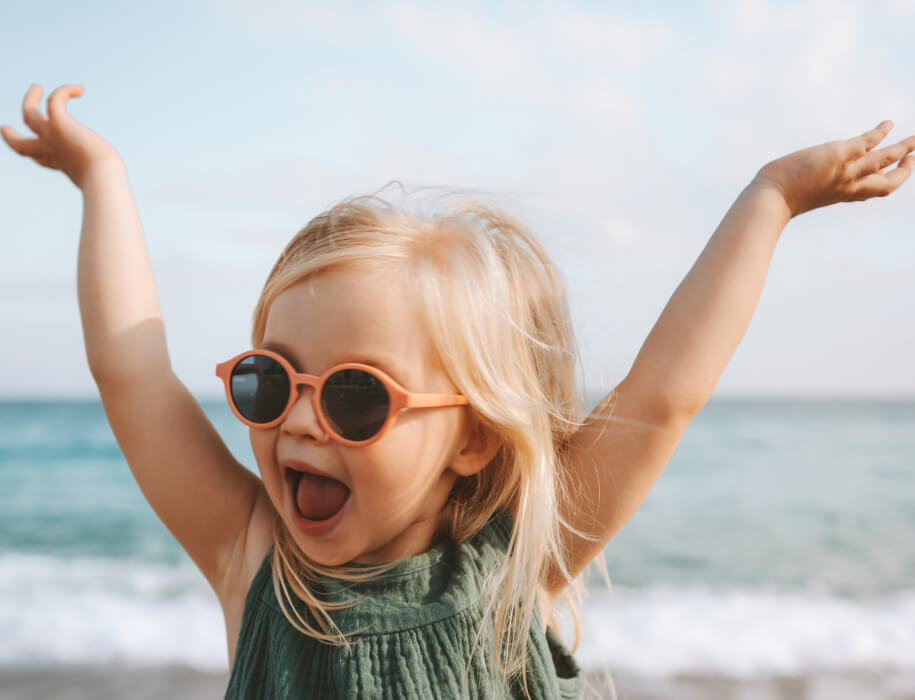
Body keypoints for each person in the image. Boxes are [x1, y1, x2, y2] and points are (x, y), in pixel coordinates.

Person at [2, 83, 913, 700]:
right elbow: (131, 373)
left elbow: (662, 394)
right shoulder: (255, 565)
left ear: (472, 437)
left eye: (358, 397)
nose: (302, 422)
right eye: (268, 380)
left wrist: (769, 199)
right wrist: (102, 179)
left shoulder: (514, 570)